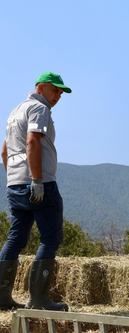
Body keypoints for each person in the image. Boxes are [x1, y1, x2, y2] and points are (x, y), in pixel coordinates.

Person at [0, 72, 71, 311]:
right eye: (55, 90)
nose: (58, 95)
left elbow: (4, 151)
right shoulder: (39, 109)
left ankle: (1, 298)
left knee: (16, 238)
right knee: (50, 238)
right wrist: (37, 180)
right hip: (38, 182)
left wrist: (14, 178)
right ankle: (38, 300)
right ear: (40, 88)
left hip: (15, 184)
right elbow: (32, 141)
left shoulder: (15, 110)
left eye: (61, 92)